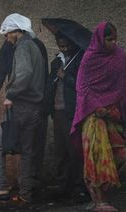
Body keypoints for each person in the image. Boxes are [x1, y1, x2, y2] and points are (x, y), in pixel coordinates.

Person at [71, 22, 126, 211]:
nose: (112, 43)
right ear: (101, 39)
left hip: (114, 114)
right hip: (93, 116)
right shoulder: (89, 58)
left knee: (120, 154)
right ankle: (100, 201)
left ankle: (98, 196)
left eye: (115, 39)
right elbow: (83, 88)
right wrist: (96, 107)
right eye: (109, 39)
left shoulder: (119, 55)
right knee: (98, 156)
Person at [0, 13, 46, 203]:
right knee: (27, 151)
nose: (6, 38)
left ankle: (1, 188)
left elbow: (25, 73)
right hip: (34, 108)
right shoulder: (35, 46)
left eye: (7, 34)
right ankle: (26, 194)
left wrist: (10, 95)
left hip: (20, 106)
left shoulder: (22, 46)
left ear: (15, 31)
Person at [45, 32, 88, 202]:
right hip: (57, 112)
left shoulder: (81, 59)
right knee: (60, 151)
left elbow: (83, 86)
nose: (65, 48)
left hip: (73, 112)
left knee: (75, 151)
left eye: (67, 45)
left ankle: (79, 188)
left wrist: (67, 77)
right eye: (61, 45)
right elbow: (50, 84)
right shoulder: (56, 61)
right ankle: (63, 186)